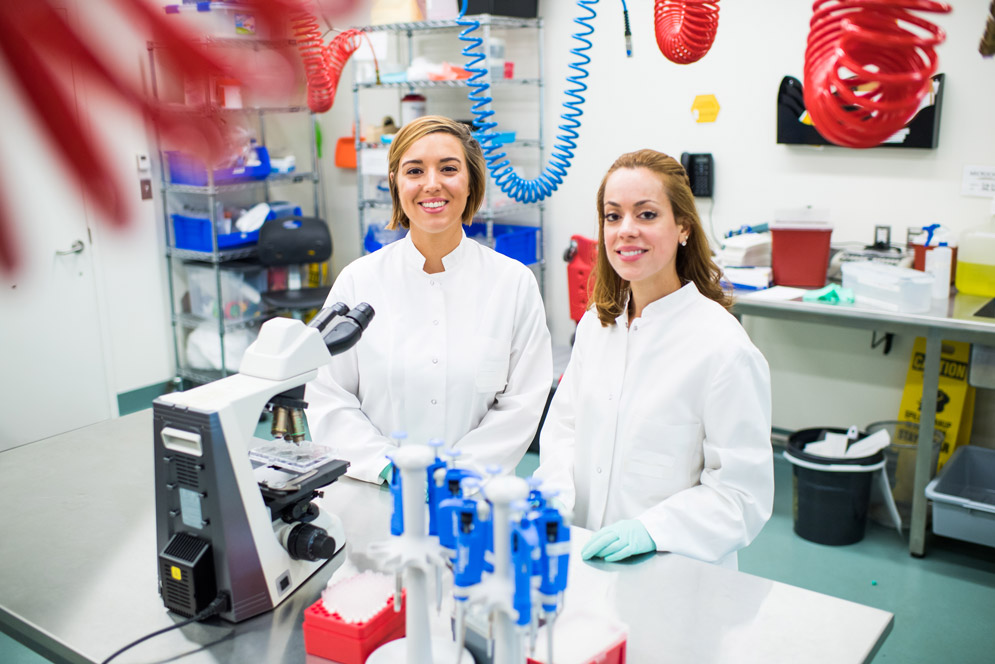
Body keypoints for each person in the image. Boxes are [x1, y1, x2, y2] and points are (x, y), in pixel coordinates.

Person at [532, 149, 773, 569]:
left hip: (674, 569)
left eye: (646, 215)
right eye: (613, 216)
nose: (626, 230)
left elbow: (741, 495)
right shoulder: (596, 325)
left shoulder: (722, 348)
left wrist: (654, 530)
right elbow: (565, 430)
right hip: (586, 556)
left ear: (683, 226)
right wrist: (551, 498)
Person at [306, 115, 552, 484]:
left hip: (477, 495)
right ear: (396, 183)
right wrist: (387, 466)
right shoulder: (358, 281)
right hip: (378, 491)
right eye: (415, 171)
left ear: (471, 182)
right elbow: (329, 396)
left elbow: (522, 403)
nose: (432, 184)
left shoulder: (513, 283)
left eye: (449, 168)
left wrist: (458, 473)